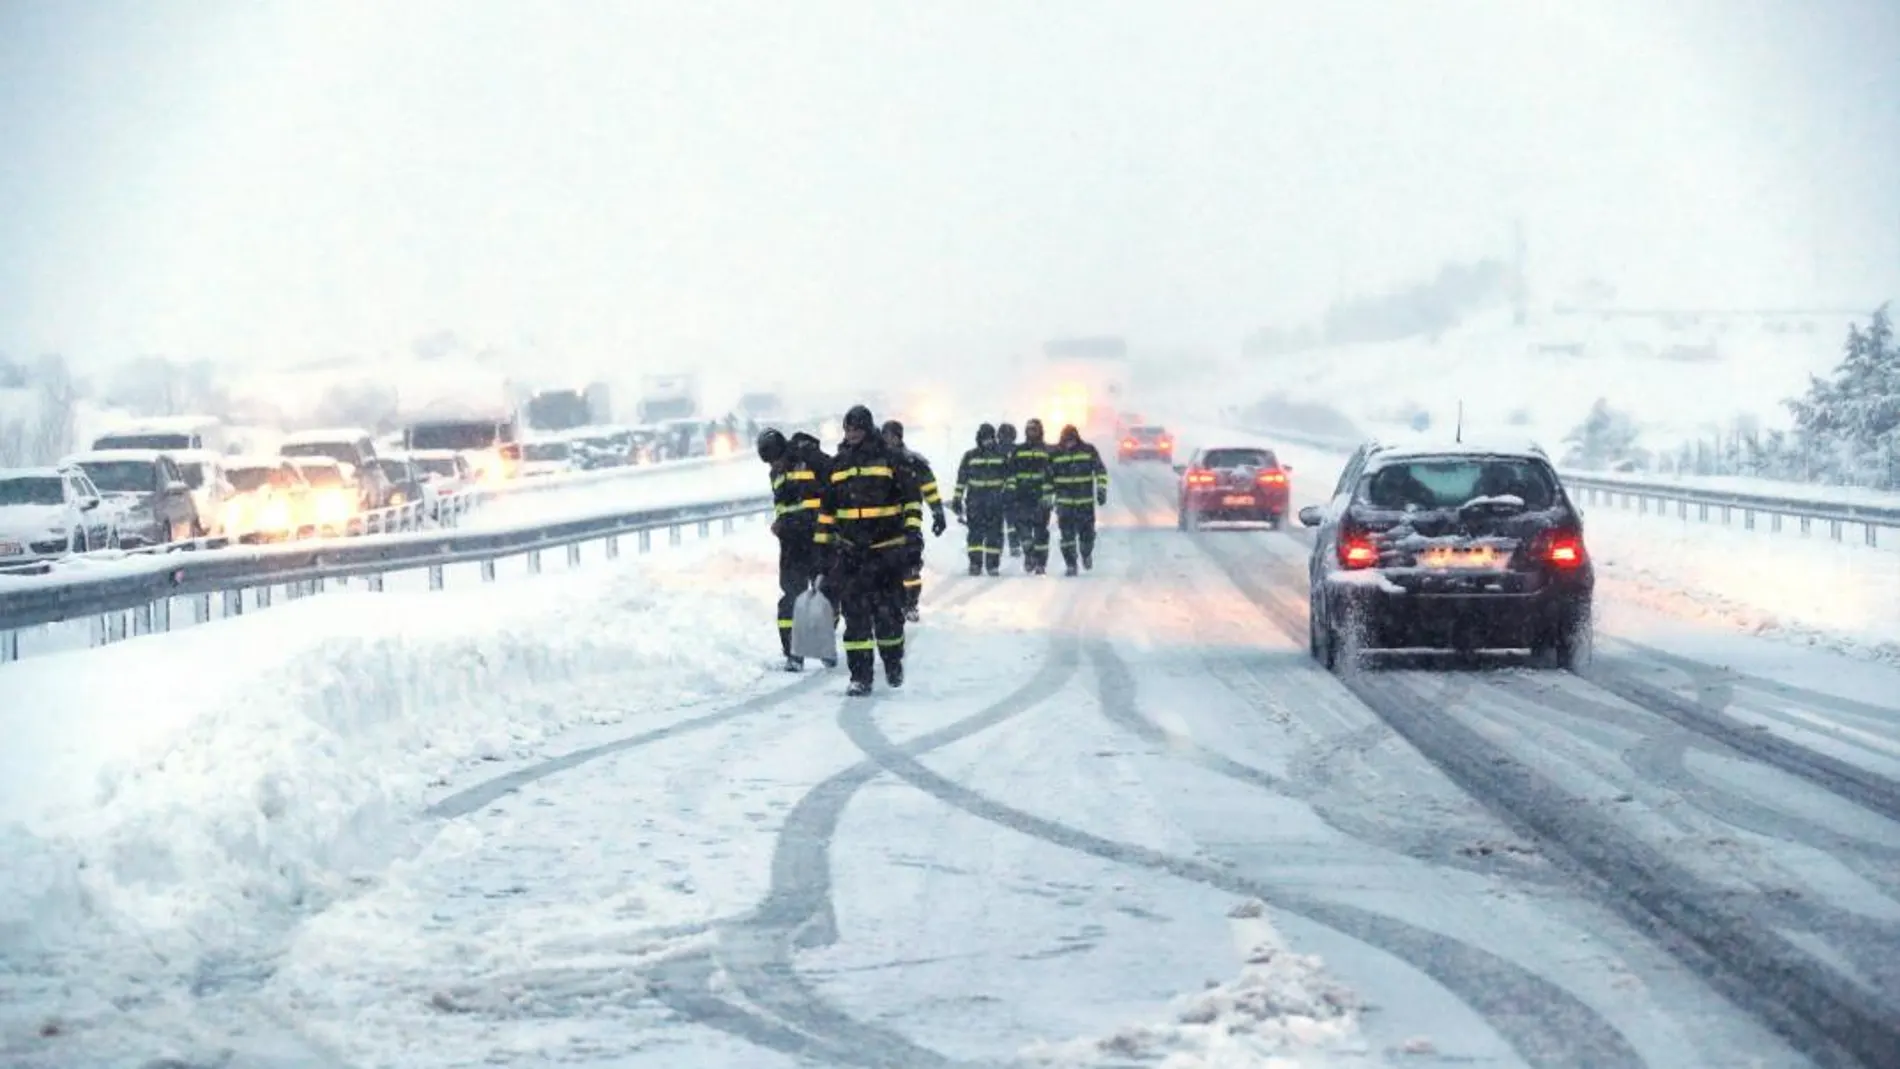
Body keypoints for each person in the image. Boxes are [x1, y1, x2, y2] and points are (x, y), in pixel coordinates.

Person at [815, 405, 922, 696]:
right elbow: (826, 512)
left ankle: (892, 661)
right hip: (851, 555)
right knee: (855, 618)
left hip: (886, 552)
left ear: (868, 429)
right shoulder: (837, 466)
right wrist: (823, 549)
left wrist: (912, 537)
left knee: (888, 616)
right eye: (848, 429)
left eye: (857, 429)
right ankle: (860, 676)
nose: (852, 435)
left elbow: (912, 501)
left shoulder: (891, 460)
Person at [758, 428, 829, 670]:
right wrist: (781, 524)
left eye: (773, 458)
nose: (772, 464)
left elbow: (829, 488)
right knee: (791, 595)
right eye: (768, 461)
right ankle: (793, 654)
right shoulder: (775, 472)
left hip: (817, 536)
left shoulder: (807, 457)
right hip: (791, 542)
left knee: (824, 592)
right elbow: (784, 505)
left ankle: (824, 646)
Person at [881, 420, 948, 621]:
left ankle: (910, 605)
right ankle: (889, 604)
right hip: (883, 524)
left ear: (899, 437)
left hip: (909, 522)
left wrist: (938, 513)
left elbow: (929, 489)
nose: (888, 439)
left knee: (910, 566)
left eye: (892, 435)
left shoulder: (914, 462)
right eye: (885, 435)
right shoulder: (876, 460)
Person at [1051, 423, 1109, 575]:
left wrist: (1101, 489)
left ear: (1077, 438)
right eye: (1067, 440)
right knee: (1067, 538)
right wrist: (1048, 496)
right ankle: (1071, 565)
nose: (1070, 443)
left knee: (1087, 536)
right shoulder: (1056, 454)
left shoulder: (1088, 450)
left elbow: (1100, 471)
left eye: (1072, 440)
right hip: (1064, 505)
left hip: (1085, 504)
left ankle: (1086, 554)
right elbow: (1048, 477)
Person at [952, 422, 1009, 576]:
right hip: (975, 503)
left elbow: (1009, 478)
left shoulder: (1001, 456)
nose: (988, 441)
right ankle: (975, 564)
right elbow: (961, 479)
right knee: (975, 535)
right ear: (979, 438)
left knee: (995, 535)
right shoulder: (970, 456)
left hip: (996, 502)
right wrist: (957, 498)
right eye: (985, 438)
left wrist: (1009, 494)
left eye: (990, 438)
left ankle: (992, 565)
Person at [1008, 418, 1056, 574]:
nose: (1031, 433)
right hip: (1022, 497)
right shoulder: (1018, 450)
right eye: (1029, 430)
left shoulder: (1047, 451)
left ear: (1040, 431)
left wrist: (1050, 495)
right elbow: (1011, 472)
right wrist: (1010, 490)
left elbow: (1053, 475)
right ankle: (1029, 554)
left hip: (1041, 497)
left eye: (1034, 430)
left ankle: (1041, 564)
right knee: (1023, 528)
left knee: (1041, 532)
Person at [994, 422, 1020, 557]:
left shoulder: (994, 450)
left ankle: (998, 548)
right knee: (1011, 521)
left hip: (997, 492)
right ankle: (1014, 545)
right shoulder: (1017, 450)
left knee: (998, 522)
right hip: (1011, 492)